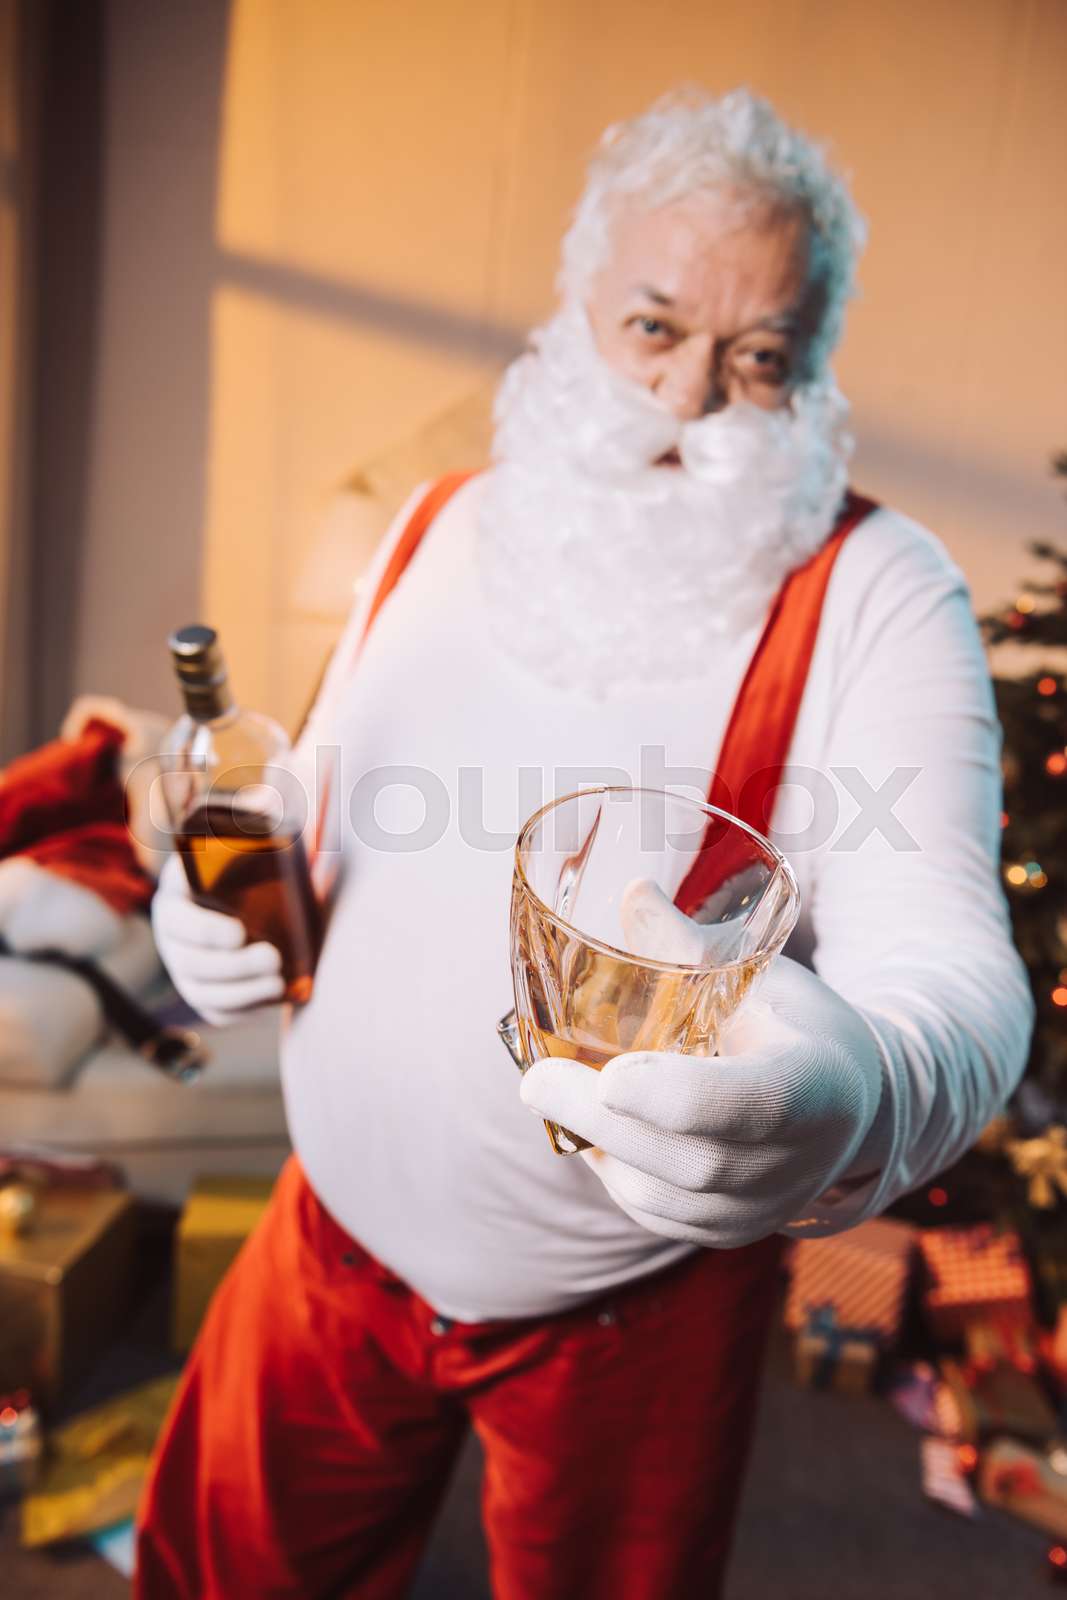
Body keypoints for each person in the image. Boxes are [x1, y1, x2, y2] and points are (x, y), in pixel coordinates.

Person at [138, 88, 1032, 1598]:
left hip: (632, 1312)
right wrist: (208, 906)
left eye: (758, 360)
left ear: (813, 373)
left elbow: (957, 968)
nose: (689, 402)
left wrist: (865, 1094)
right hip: (326, 1242)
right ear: (575, 310)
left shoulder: (880, 592)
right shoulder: (433, 524)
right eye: (653, 328)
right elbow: (322, 809)